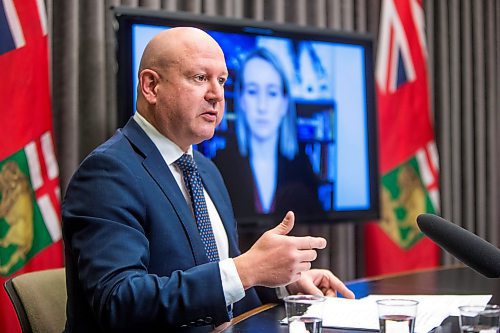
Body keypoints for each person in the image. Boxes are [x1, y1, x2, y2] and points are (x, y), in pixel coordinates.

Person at [62, 27, 354, 333]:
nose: (217, 94)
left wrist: (282, 284)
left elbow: (217, 282)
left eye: (222, 80)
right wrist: (246, 270)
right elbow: (119, 302)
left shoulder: (205, 170)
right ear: (151, 86)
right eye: (200, 78)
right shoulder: (108, 172)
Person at [215, 48, 322, 217]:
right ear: (241, 100)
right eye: (252, 91)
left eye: (272, 93)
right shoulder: (218, 166)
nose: (262, 106)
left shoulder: (302, 166)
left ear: (284, 103)